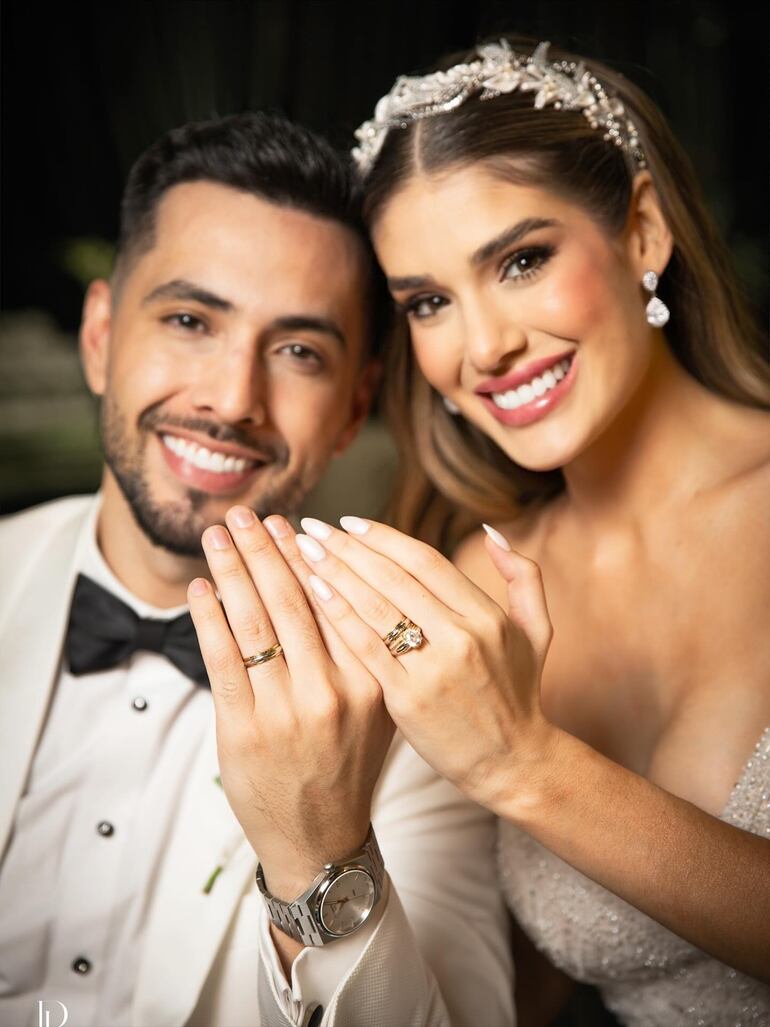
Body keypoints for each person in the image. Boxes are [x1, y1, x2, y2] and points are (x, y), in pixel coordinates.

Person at [269, 37, 770, 1026]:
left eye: (520, 260)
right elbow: (505, 995)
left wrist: (520, 761)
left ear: (639, 232)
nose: (483, 346)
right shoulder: (471, 585)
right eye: (427, 303)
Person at [0, 112, 513, 1027]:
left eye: (298, 352)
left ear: (356, 406)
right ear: (99, 337)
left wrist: (321, 852)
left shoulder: (418, 691)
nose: (233, 399)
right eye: (191, 319)